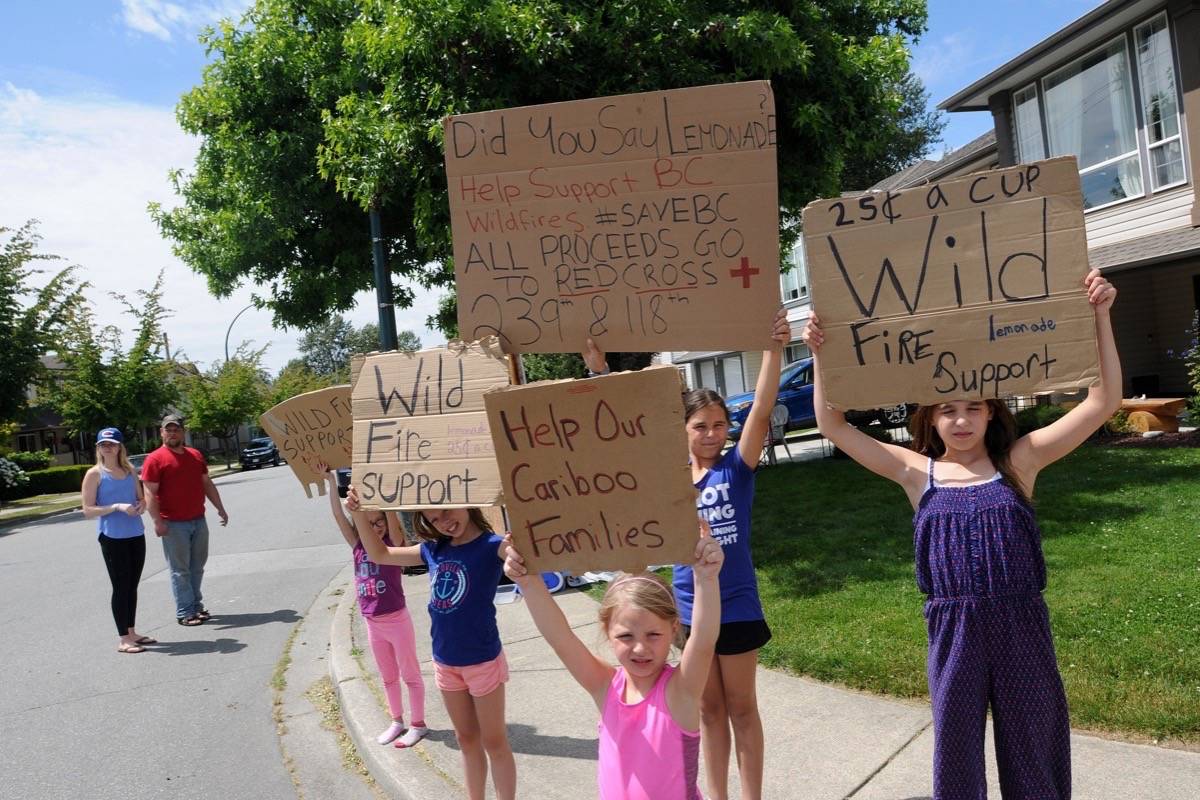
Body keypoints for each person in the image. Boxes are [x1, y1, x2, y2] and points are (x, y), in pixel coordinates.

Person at [803, 268, 1120, 799]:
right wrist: (821, 354)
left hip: (1021, 622)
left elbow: (1101, 401)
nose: (961, 420)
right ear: (931, 418)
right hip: (954, 629)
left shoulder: (1019, 462)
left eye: (973, 407)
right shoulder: (914, 473)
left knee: (1034, 744)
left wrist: (1100, 316)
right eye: (948, 410)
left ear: (991, 412)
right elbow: (834, 425)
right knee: (956, 753)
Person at [583, 307, 789, 800]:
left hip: (736, 607)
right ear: (682, 429)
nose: (712, 433)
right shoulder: (667, 478)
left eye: (719, 424)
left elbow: (761, 409)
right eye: (700, 425)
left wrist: (775, 346)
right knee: (709, 713)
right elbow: (623, 434)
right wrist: (597, 370)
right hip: (688, 613)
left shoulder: (735, 470)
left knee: (742, 709)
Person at [503, 522, 724, 800]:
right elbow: (560, 638)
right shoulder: (605, 687)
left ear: (674, 629)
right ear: (608, 631)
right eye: (626, 636)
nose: (640, 647)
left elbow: (703, 643)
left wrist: (706, 578)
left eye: (653, 634)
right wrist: (528, 581)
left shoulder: (681, 691)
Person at [347, 489, 515, 800]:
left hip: (482, 662)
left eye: (448, 511)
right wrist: (358, 512)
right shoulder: (432, 550)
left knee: (494, 743)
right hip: (445, 664)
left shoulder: (493, 546)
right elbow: (380, 555)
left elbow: (523, 556)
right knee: (466, 739)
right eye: (434, 518)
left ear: (466, 501)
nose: (444, 522)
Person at [320, 464, 427, 748]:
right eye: (370, 523)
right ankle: (396, 721)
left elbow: (391, 520)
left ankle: (418, 724)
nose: (376, 527)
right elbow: (338, 516)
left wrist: (384, 491)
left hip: (397, 619)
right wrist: (332, 483)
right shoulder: (357, 545)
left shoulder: (392, 545)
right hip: (372, 622)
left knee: (410, 674)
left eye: (379, 521)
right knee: (388, 676)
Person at [142, 414, 230, 626]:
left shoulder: (195, 455)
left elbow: (206, 484)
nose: (172, 433)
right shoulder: (155, 459)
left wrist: (220, 508)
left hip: (198, 520)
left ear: (183, 432)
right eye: (168, 430)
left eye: (176, 429)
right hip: (173, 523)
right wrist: (157, 521)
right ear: (162, 433)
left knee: (197, 566)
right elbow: (149, 493)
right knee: (180, 570)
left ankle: (196, 606)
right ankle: (185, 612)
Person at [81, 427, 154, 654]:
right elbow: (87, 510)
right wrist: (116, 507)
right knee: (120, 586)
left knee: (132, 585)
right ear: (98, 448)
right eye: (103, 444)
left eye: (111, 444)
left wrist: (141, 505)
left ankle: (131, 631)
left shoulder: (130, 471)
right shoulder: (95, 474)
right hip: (112, 537)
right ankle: (123, 639)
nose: (107, 447)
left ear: (120, 447)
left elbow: (141, 498)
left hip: (135, 533)